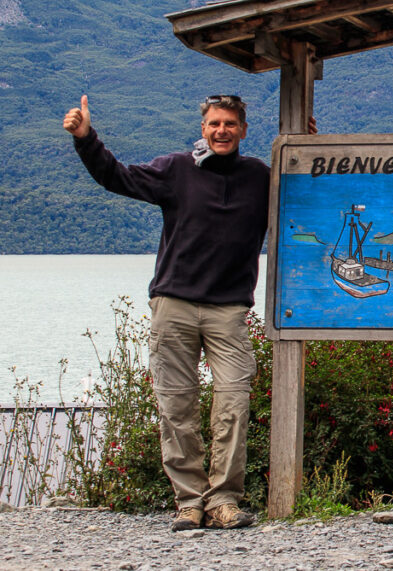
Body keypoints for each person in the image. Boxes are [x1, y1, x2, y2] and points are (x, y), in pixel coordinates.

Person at [63, 94, 271, 531]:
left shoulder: (260, 178)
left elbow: (305, 188)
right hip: (173, 305)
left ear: (244, 130)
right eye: (214, 123)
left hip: (229, 309)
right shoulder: (176, 170)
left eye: (230, 123)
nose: (221, 130)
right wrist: (86, 138)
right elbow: (115, 177)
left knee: (234, 399)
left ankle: (224, 501)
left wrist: (305, 143)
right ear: (203, 128)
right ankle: (190, 503)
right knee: (176, 406)